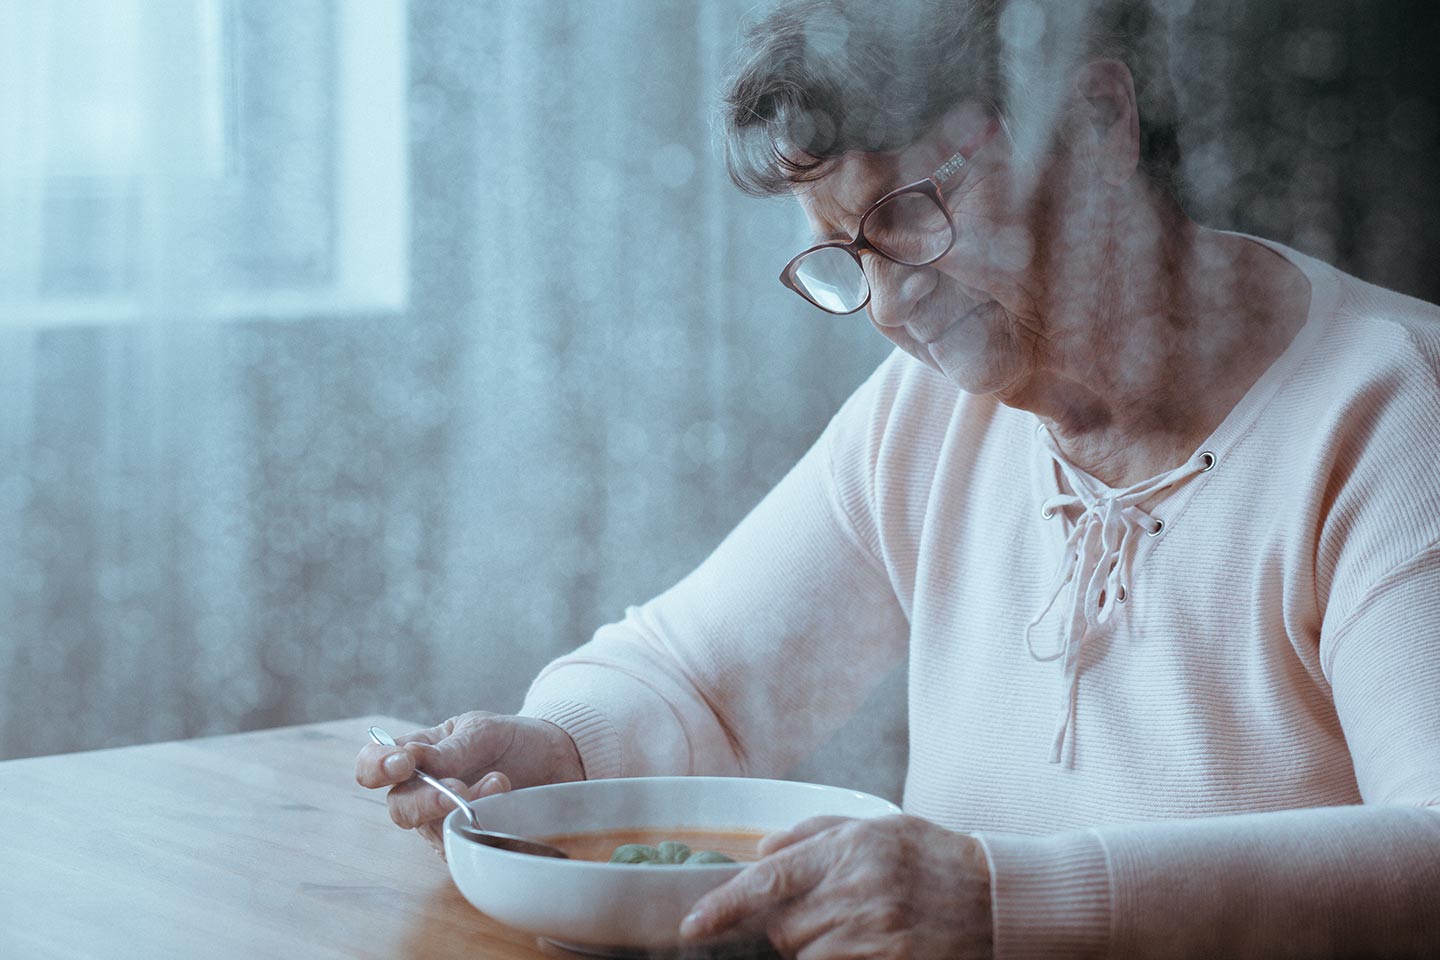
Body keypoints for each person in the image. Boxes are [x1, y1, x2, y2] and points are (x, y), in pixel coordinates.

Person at [357, 0, 1440, 955]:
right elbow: (698, 682)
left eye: (909, 214)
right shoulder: (934, 416)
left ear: (1101, 122)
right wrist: (562, 752)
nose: (885, 307)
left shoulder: (1393, 413)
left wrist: (1002, 902)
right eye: (847, 256)